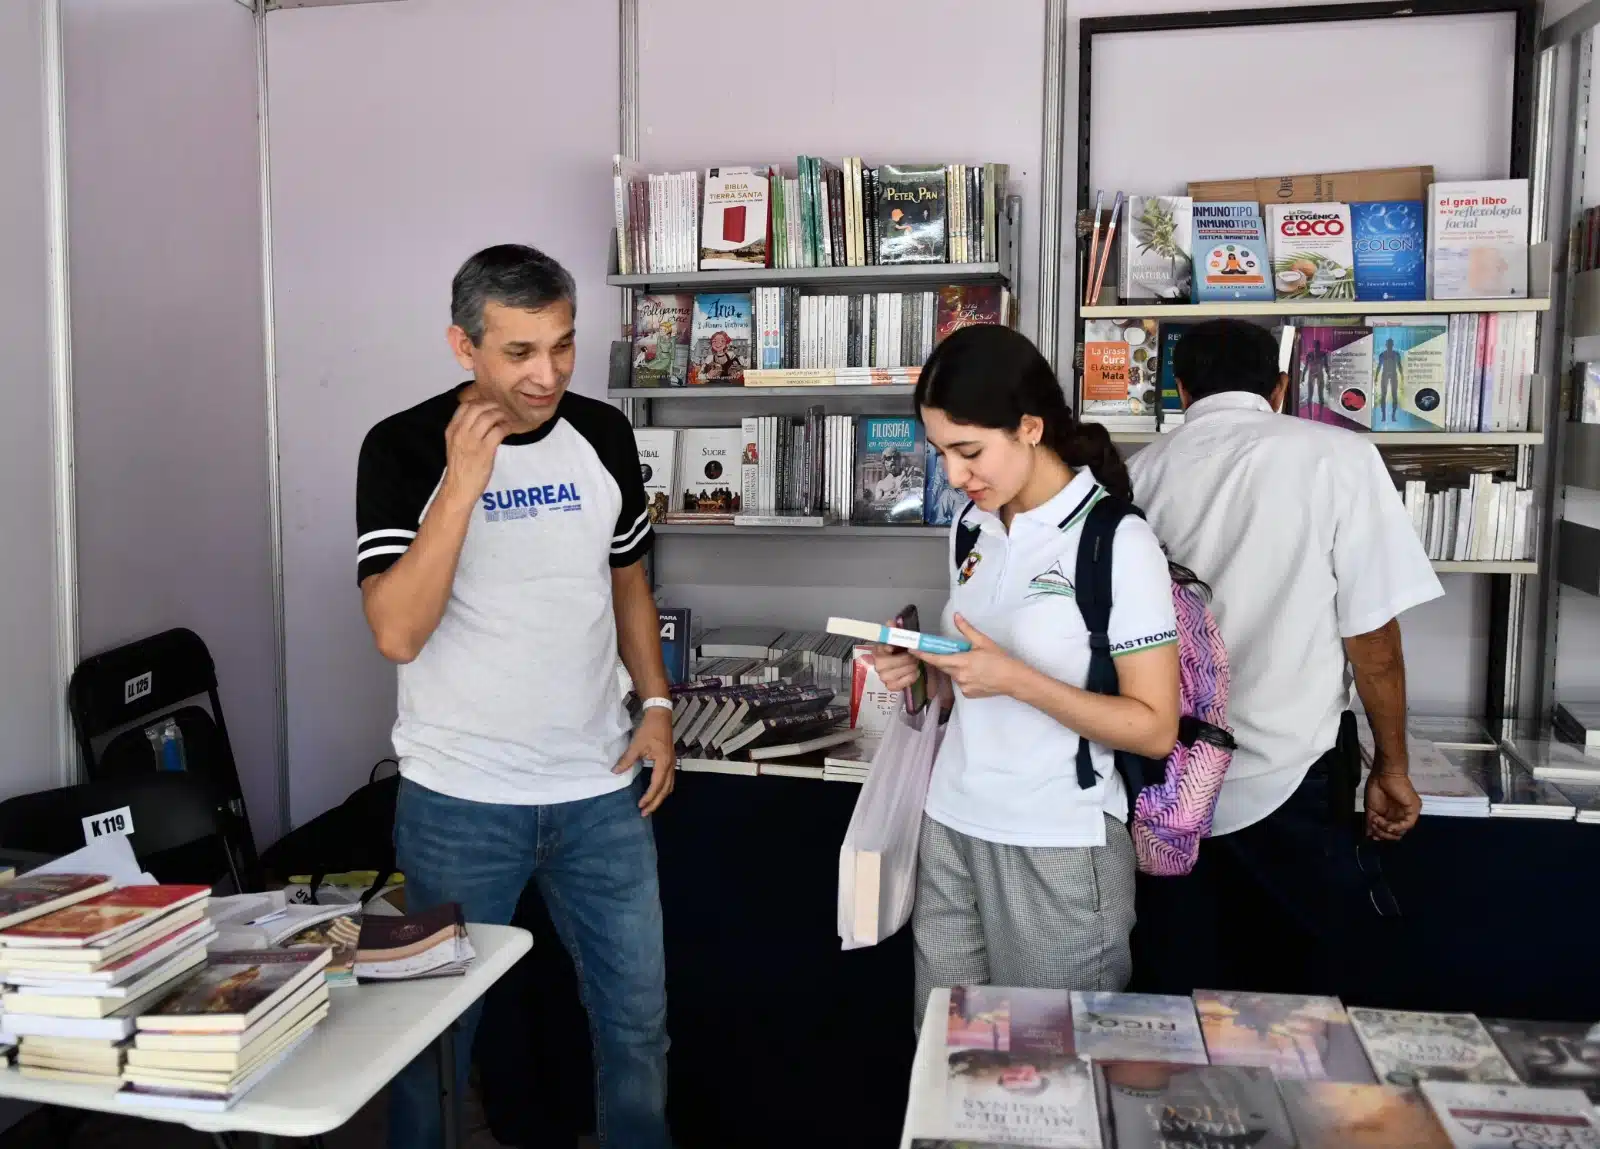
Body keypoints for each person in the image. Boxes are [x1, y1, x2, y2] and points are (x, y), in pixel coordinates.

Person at [355, 244, 675, 1149]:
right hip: (459, 801)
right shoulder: (403, 446)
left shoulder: (604, 434)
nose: (547, 374)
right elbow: (397, 632)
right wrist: (462, 482)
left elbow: (628, 584)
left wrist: (655, 706)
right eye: (520, 352)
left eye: (564, 346)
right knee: (428, 1042)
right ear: (464, 346)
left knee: (636, 1028)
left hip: (600, 790)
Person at [871, 325, 1181, 1022]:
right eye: (941, 452)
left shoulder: (1116, 540)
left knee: (1054, 1078)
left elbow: (1155, 728)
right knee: (947, 1067)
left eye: (969, 450)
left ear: (1031, 427)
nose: (954, 475)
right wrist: (925, 674)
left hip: (1058, 842)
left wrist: (1017, 678)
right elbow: (969, 681)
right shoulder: (970, 528)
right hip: (950, 823)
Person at [1126, 318, 1441, 998]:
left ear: (1180, 390)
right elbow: (1374, 645)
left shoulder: (1137, 472)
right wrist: (1391, 766)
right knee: (1295, 999)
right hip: (1293, 775)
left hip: (1167, 781)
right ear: (1279, 386)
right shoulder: (1340, 457)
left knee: (1177, 986)